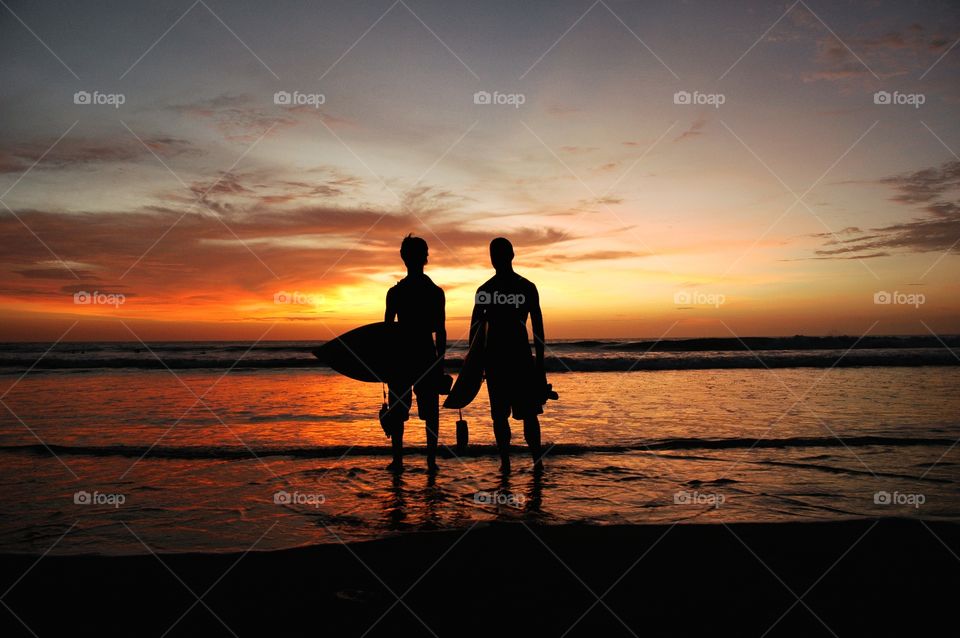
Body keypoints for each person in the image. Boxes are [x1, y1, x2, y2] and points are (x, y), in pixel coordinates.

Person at [470, 237, 545, 473]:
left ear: (510, 255)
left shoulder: (490, 290)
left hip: (509, 360)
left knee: (518, 416)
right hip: (509, 359)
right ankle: (525, 464)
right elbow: (475, 333)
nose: (496, 259)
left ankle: (516, 464)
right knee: (514, 416)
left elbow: (539, 330)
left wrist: (540, 366)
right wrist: (540, 364)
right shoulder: (522, 287)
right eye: (494, 254)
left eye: (498, 254)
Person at [382, 234, 446, 473]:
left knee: (399, 410)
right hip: (425, 355)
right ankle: (431, 461)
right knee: (429, 413)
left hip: (401, 356)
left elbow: (387, 331)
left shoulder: (396, 293)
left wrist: (385, 363)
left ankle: (398, 461)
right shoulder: (434, 292)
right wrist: (439, 362)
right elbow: (440, 331)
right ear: (425, 258)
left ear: (404, 258)